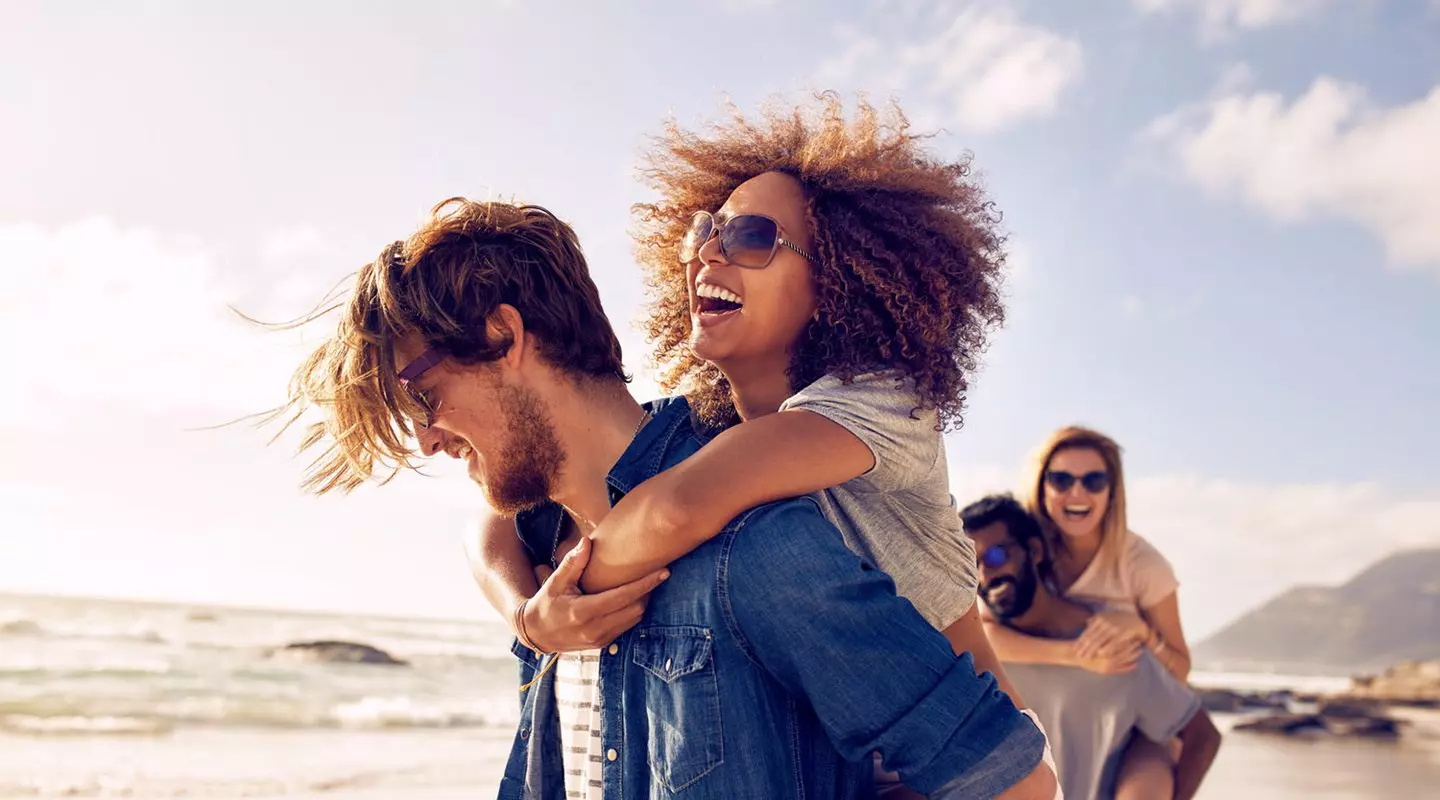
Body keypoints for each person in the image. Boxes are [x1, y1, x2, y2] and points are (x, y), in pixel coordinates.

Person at [276, 197, 1056, 799]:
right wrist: (525, 617)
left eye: (423, 397)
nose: (426, 439)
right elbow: (484, 536)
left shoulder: (754, 547)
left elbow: (1012, 783)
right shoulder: (547, 547)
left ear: (505, 337)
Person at [469, 94, 1046, 797]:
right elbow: (506, 515)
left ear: (835, 282)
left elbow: (677, 506)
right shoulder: (718, 431)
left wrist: (569, 602)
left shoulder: (883, 404)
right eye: (706, 231)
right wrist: (527, 617)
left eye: (750, 237)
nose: (709, 250)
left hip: (957, 773)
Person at [962, 494, 1221, 800]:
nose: (985, 575)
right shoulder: (977, 651)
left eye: (995, 557)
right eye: (971, 564)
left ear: (1034, 550)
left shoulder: (1110, 645)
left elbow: (1202, 736)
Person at [981, 426, 1193, 797]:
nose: (1076, 493)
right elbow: (987, 633)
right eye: (1061, 480)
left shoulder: (1143, 565)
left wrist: (1141, 631)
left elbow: (1180, 671)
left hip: (1134, 726)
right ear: (1042, 486)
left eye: (1093, 480)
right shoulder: (1023, 549)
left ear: (1112, 492)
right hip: (1064, 709)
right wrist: (1076, 657)